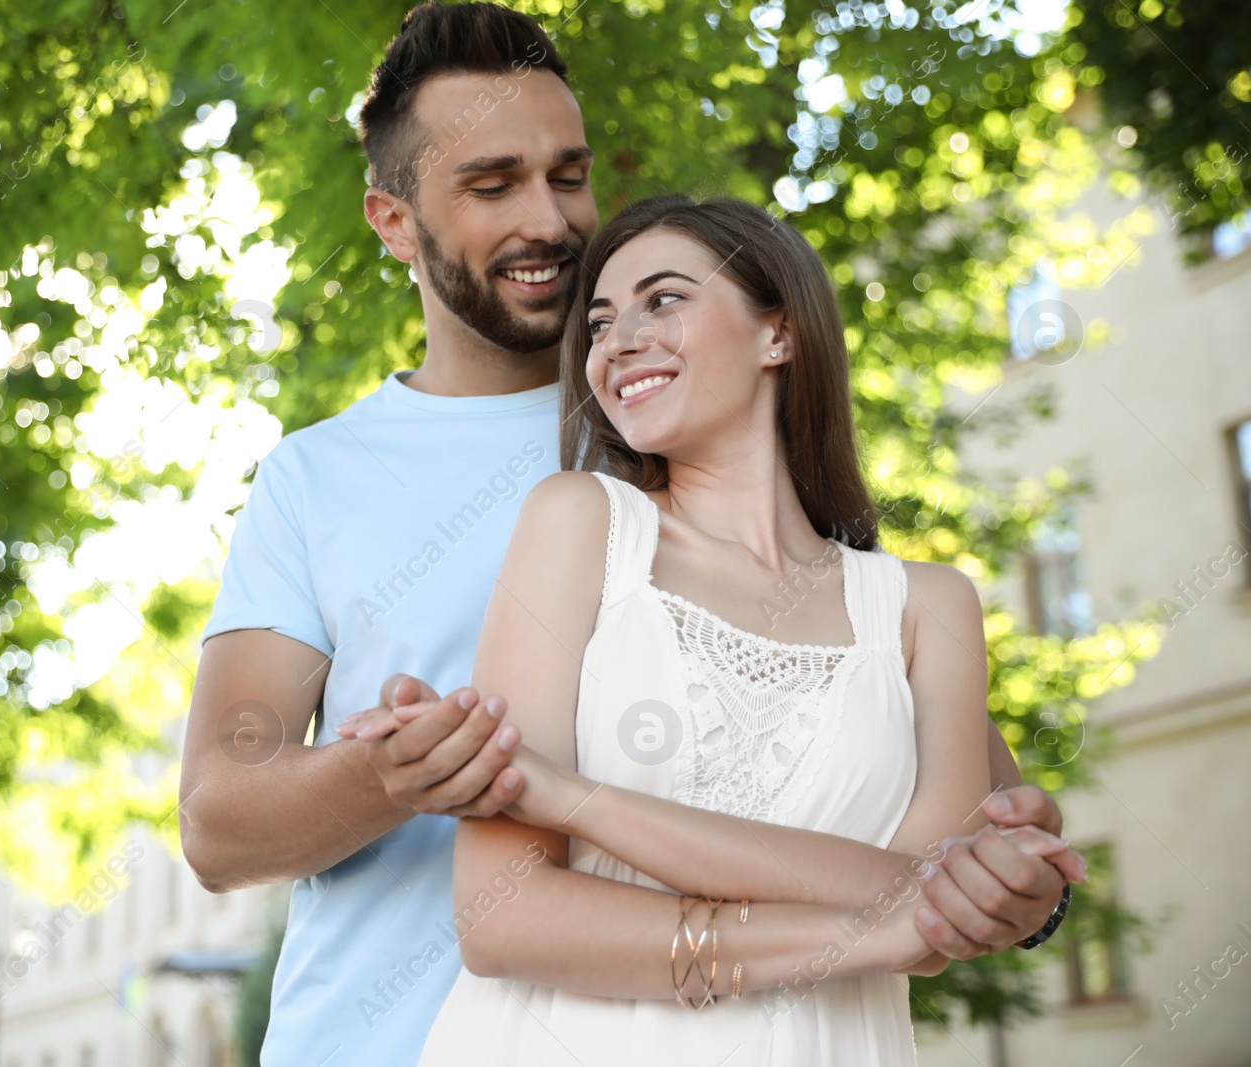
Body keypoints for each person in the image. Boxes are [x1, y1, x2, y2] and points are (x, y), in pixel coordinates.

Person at [178, 6, 1070, 1066]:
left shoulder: (696, 412)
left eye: (568, 174)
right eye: (491, 183)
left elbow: (938, 804)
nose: (550, 219)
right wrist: (398, 773)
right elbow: (218, 822)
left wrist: (1014, 888)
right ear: (394, 221)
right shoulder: (315, 480)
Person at [397, 194, 1085, 1065]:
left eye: (665, 298)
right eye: (601, 321)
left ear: (780, 333)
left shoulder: (926, 608)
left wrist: (567, 797)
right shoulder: (580, 524)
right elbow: (503, 920)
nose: (618, 340)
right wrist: (867, 935)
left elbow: (930, 894)